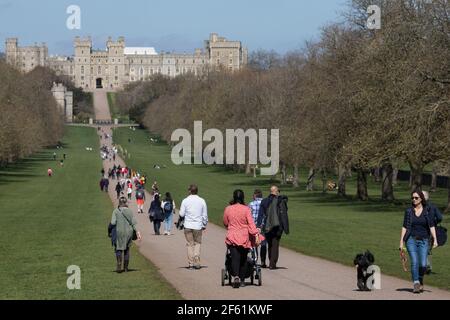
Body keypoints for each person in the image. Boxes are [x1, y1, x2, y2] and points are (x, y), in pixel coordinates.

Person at [399, 191, 438, 294]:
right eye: (412, 198)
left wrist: (435, 239)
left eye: (416, 198)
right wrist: (401, 242)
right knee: (415, 262)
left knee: (423, 265)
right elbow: (404, 227)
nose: (414, 200)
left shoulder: (427, 211)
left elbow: (431, 226)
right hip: (411, 240)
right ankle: (416, 283)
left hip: (424, 240)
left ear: (421, 199)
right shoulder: (409, 211)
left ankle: (420, 278)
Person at [224, 190, 261, 288]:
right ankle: (242, 280)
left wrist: (231, 226)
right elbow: (251, 224)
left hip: (232, 235)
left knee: (235, 257)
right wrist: (256, 234)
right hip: (244, 237)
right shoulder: (246, 209)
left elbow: (225, 222)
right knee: (244, 258)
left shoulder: (228, 209)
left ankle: (236, 276)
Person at [257, 186, 289, 270]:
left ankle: (271, 261)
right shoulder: (280, 200)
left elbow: (260, 215)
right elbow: (284, 214)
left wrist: (258, 226)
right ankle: (272, 263)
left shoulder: (264, 201)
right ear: (277, 191)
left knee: (270, 244)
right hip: (278, 226)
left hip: (267, 226)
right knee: (275, 244)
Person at [179, 184, 208, 270]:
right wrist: (204, 224)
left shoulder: (185, 200)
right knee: (197, 243)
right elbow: (204, 215)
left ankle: (191, 263)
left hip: (188, 225)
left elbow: (181, 214)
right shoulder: (202, 201)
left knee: (190, 244)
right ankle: (196, 257)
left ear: (189, 191)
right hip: (198, 225)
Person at [110, 197, 141, 273]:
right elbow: (133, 223)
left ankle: (119, 263)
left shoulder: (116, 211)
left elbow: (113, 222)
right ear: (126, 202)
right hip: (129, 232)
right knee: (127, 250)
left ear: (119, 203)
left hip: (120, 231)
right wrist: (138, 232)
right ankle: (126, 268)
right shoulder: (130, 211)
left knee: (119, 249)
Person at [422, 191, 443, 275]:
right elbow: (440, 217)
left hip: (423, 230)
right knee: (428, 249)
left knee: (423, 248)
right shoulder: (433, 206)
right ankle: (428, 267)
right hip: (431, 230)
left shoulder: (419, 206)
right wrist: (434, 222)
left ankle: (426, 266)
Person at [249, 189, 266, 267]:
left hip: (254, 226)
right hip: (263, 225)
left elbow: (248, 216)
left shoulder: (251, 204)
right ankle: (263, 261)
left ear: (255, 195)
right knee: (263, 243)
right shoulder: (265, 203)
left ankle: (255, 259)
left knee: (254, 243)